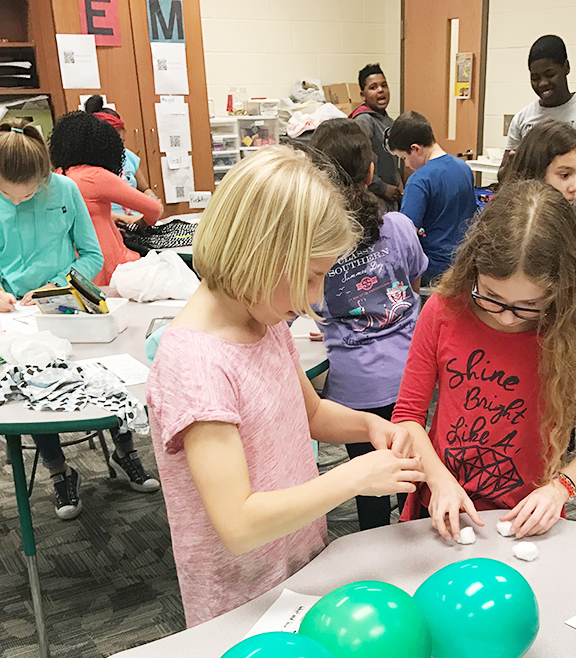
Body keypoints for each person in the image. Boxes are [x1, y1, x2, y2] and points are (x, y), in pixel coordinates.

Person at [145, 145, 425, 627]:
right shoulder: (195, 364)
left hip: (298, 568)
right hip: (241, 603)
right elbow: (238, 523)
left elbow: (309, 414)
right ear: (260, 256)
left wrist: (368, 427)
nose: (315, 298)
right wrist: (353, 478)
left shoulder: (265, 318)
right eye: (311, 277)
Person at [392, 180, 576, 541]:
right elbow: (408, 415)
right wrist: (438, 480)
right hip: (441, 505)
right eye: (491, 296)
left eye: (528, 306)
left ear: (559, 290)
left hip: (525, 516)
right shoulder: (443, 309)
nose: (505, 317)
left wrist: (560, 488)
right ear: (473, 268)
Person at [0, 119, 159, 520]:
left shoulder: (64, 189)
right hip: (19, 315)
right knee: (33, 389)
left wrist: (56, 286)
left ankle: (125, 450)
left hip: (71, 300)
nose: (21, 201)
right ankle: (59, 471)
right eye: (10, 195)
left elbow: (92, 254)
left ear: (43, 175)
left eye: (29, 194)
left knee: (108, 375)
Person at [310, 119, 428, 530]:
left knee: (368, 485)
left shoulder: (316, 243)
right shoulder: (398, 226)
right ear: (371, 171)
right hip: (409, 377)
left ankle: (374, 550)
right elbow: (412, 286)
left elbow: (314, 303)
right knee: (414, 475)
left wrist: (339, 318)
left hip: (354, 387)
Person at [499, 34, 576, 275]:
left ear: (566, 68)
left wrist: (561, 156)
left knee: (575, 278)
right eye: (535, 78)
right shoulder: (523, 118)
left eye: (549, 74)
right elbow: (503, 176)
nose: (542, 83)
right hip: (535, 215)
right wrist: (519, 161)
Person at [49, 110, 163, 287]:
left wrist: (110, 218)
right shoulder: (95, 176)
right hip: (110, 263)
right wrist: (141, 224)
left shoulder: (57, 177)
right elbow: (154, 209)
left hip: (76, 268)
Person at [387, 111, 477, 286]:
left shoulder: (419, 181)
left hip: (433, 269)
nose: (406, 164)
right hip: (464, 265)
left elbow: (407, 236)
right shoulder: (464, 168)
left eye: (404, 158)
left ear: (415, 149)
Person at [83, 94, 162, 225]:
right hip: (112, 225)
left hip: (138, 221)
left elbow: (144, 189)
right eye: (115, 145)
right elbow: (89, 211)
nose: (120, 150)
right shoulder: (88, 170)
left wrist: (153, 199)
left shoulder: (128, 156)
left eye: (122, 143)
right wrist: (125, 219)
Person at [349, 63, 403, 210]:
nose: (380, 90)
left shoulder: (389, 122)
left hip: (391, 196)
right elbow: (359, 164)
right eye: (373, 87)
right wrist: (383, 188)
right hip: (373, 198)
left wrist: (398, 181)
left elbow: (392, 160)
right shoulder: (363, 120)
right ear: (363, 95)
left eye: (384, 85)